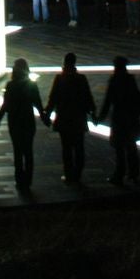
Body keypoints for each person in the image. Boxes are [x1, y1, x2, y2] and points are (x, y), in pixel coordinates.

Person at [45, 52, 96, 184]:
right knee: (79, 146)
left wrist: (47, 114)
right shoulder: (81, 79)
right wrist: (94, 114)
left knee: (66, 147)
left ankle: (68, 174)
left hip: (64, 118)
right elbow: (88, 98)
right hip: (78, 118)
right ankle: (78, 174)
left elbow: (53, 98)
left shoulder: (59, 79)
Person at [0, 58, 44, 190]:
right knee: (28, 151)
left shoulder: (10, 85)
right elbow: (38, 103)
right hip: (27, 120)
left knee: (17, 151)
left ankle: (19, 178)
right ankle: (28, 179)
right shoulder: (31, 85)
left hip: (14, 121)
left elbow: (5, 105)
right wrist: (44, 116)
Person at [98, 56, 140, 185]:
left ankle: (119, 174)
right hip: (130, 117)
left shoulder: (114, 80)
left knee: (119, 148)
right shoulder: (130, 79)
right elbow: (139, 98)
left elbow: (107, 102)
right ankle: (133, 173)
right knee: (131, 146)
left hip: (119, 118)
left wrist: (100, 117)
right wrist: (136, 113)